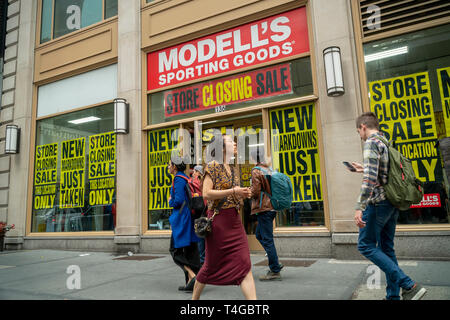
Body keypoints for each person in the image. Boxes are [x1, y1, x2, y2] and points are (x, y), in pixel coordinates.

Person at [351, 112, 427, 300]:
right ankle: (393, 296)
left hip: (378, 203)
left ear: (363, 127)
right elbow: (381, 173)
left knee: (365, 245)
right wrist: (363, 167)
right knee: (387, 248)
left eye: (358, 131)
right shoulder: (385, 141)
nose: (359, 135)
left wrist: (359, 206)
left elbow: (370, 180)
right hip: (392, 202)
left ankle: (409, 285)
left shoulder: (370, 143)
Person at [192, 135, 257, 300]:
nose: (235, 143)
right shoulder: (213, 166)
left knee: (245, 264)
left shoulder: (235, 169)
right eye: (230, 141)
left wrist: (244, 194)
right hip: (219, 223)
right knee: (210, 265)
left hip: (235, 222)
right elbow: (206, 194)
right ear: (221, 147)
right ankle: (194, 300)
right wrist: (233, 191)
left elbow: (234, 196)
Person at [249, 147, 283, 281]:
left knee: (267, 239)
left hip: (264, 208)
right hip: (272, 207)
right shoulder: (268, 169)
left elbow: (256, 191)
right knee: (259, 235)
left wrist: (247, 192)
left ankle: (275, 268)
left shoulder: (256, 170)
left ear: (254, 158)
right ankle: (273, 259)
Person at [168, 157, 201, 293]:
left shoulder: (178, 179)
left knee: (174, 250)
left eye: (169, 164)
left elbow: (179, 201)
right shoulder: (185, 178)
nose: (168, 167)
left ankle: (193, 276)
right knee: (190, 251)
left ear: (174, 166)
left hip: (182, 218)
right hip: (188, 217)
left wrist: (170, 201)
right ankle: (191, 283)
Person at [192, 165, 206, 265]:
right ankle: (204, 258)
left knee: (200, 235)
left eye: (194, 171)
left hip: (199, 211)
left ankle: (202, 259)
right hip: (205, 210)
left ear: (199, 173)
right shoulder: (205, 181)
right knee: (203, 235)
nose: (193, 174)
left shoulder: (195, 182)